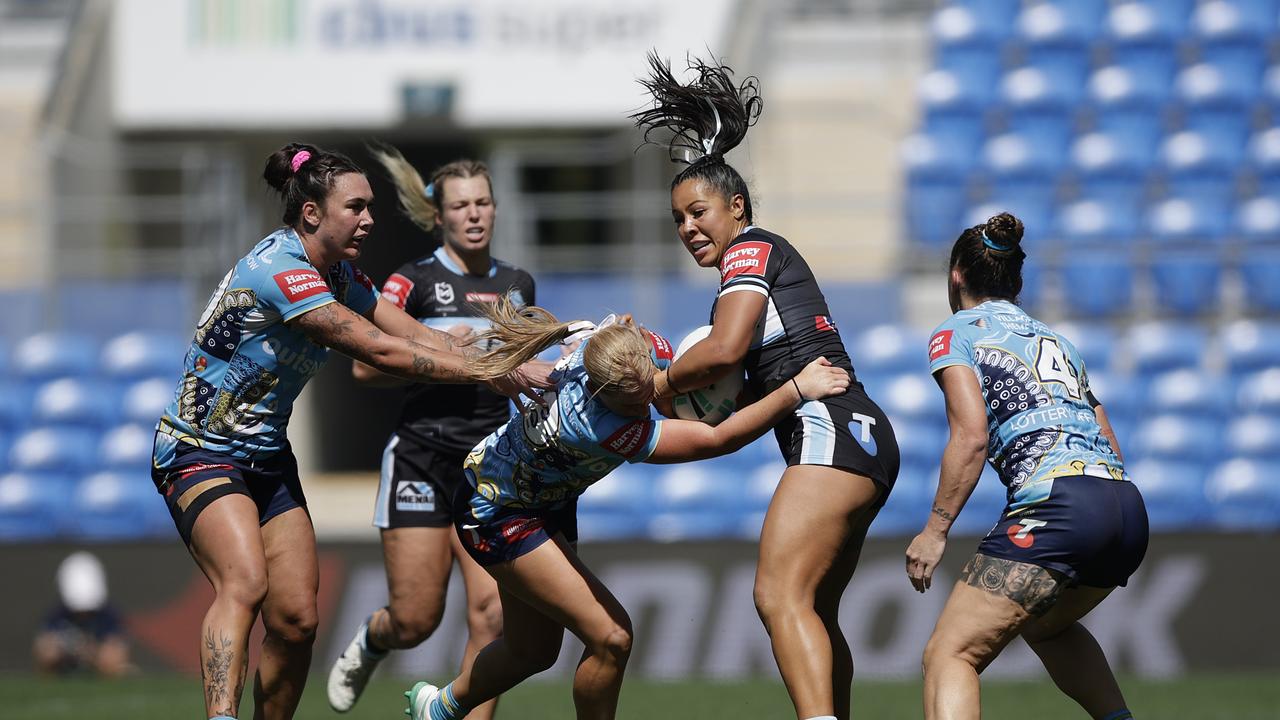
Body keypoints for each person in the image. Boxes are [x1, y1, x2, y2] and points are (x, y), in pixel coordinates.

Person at [149, 142, 549, 720]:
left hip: (265, 457)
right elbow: (381, 351)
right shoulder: (281, 270)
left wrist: (501, 363)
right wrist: (492, 367)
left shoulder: (336, 273)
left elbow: (409, 331)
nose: (370, 219)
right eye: (356, 207)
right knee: (244, 584)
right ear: (311, 213)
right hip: (199, 451)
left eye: (369, 207)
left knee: (296, 621)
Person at [404, 300, 853, 720]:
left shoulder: (600, 353)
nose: (646, 404)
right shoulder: (602, 429)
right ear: (604, 394)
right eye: (633, 403)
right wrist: (794, 389)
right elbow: (718, 439)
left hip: (538, 500)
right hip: (497, 512)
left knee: (532, 652)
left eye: (649, 387)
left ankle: (438, 709)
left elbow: (624, 338)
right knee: (612, 637)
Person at [630, 53, 901, 720]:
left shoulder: (749, 251)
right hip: (861, 436)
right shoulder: (752, 270)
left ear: (737, 207)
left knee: (777, 597)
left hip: (831, 430)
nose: (689, 228)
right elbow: (731, 407)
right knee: (812, 608)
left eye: (699, 212)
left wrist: (659, 381)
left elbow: (720, 351)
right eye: (678, 220)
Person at [904, 212, 1148, 720]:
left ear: (956, 275)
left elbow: (970, 438)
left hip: (1062, 506)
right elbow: (1106, 437)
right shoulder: (1058, 342)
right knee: (1046, 625)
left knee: (951, 654)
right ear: (1015, 281)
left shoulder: (956, 334)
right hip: (1123, 506)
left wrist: (935, 530)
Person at [327, 147, 534, 717]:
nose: (474, 214)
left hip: (488, 464)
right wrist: (441, 348)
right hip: (421, 456)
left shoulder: (518, 285)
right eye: (461, 205)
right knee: (416, 620)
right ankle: (374, 638)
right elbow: (364, 366)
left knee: (491, 613)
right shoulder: (408, 281)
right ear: (438, 215)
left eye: (484, 202)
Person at [33, 551, 132, 677]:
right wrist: (67, 654)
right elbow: (45, 654)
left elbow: (114, 658)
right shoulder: (57, 615)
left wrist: (91, 655)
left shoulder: (109, 615)